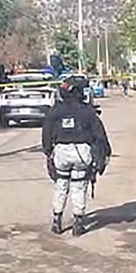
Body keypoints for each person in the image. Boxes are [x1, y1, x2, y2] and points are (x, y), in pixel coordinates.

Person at [42, 76, 112, 237]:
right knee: (79, 186)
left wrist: (48, 151)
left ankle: (57, 221)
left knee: (61, 185)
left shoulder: (55, 110)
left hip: (61, 152)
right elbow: (99, 134)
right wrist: (106, 152)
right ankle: (78, 223)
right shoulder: (87, 110)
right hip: (82, 152)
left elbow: (46, 133)